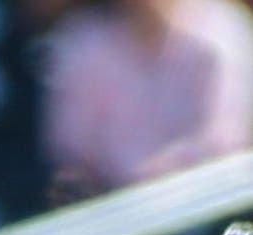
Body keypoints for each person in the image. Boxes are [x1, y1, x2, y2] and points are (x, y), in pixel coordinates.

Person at [44, 0, 253, 198]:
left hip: (213, 201)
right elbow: (72, 150)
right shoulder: (83, 45)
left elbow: (227, 138)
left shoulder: (221, 27)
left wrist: (164, 173)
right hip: (117, 212)